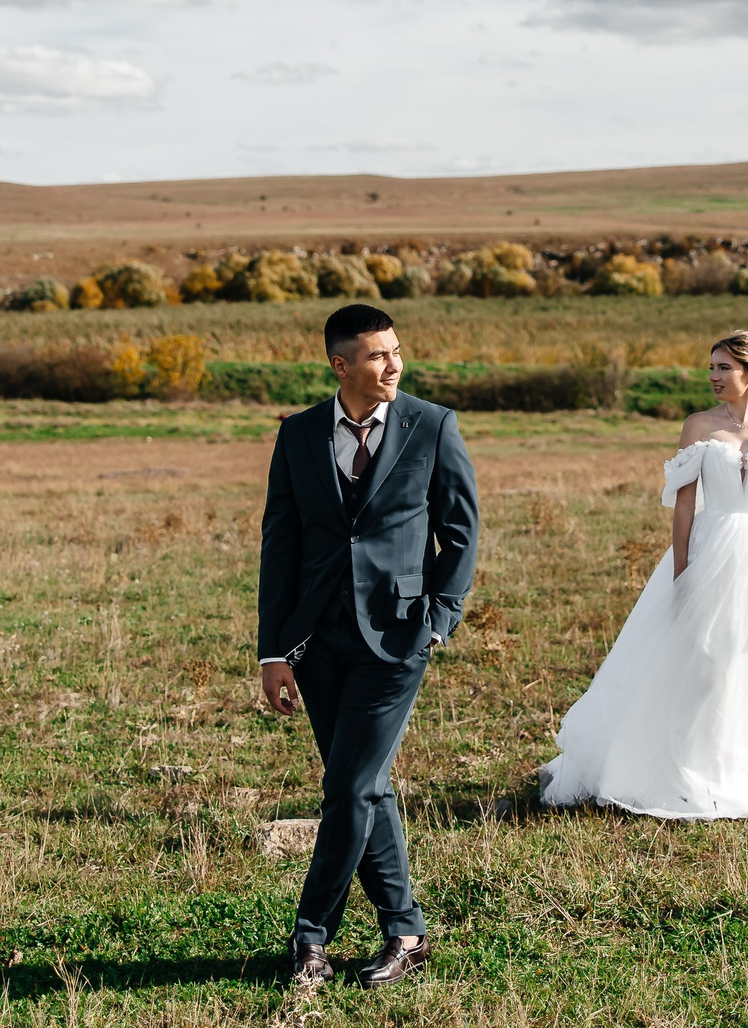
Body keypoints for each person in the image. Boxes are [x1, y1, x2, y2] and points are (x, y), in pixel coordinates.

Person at [256, 303, 480, 992]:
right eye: (378, 354)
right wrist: (273, 649)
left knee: (347, 787)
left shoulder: (432, 424)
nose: (393, 364)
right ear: (341, 364)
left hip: (398, 636)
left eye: (396, 350)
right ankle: (406, 931)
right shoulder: (296, 435)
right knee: (366, 787)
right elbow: (281, 543)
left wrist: (439, 618)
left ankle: (310, 937)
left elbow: (461, 531)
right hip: (317, 642)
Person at [537, 329, 748, 819]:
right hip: (709, 554)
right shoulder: (698, 427)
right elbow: (684, 508)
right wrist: (682, 573)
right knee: (704, 659)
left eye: (724, 368)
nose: (713, 377)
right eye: (711, 367)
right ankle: (685, 767)